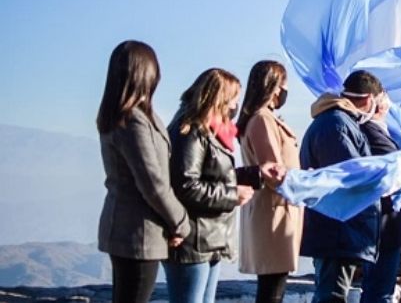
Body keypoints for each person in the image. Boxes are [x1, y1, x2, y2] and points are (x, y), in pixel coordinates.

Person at [163, 68, 281, 303]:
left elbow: (215, 175)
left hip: (211, 238)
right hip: (194, 240)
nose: (236, 105)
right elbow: (186, 185)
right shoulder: (191, 132)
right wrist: (231, 196)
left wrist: (255, 174)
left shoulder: (211, 132)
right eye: (233, 98)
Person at [96, 40, 191, 303]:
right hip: (139, 233)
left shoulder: (121, 115)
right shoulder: (133, 120)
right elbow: (153, 183)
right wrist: (181, 222)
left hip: (130, 229)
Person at [299, 70, 384, 303]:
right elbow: (349, 177)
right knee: (332, 296)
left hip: (339, 230)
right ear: (369, 99)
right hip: (336, 230)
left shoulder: (338, 122)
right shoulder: (336, 124)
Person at [237, 60, 304, 303]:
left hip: (276, 209)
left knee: (273, 286)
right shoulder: (263, 120)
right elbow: (273, 169)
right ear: (274, 87)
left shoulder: (262, 118)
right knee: (272, 290)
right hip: (274, 211)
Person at [360, 93, 401, 303]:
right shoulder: (370, 131)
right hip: (384, 222)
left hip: (385, 223)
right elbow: (393, 171)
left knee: (376, 287)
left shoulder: (384, 130)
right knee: (379, 290)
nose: (389, 103)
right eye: (384, 98)